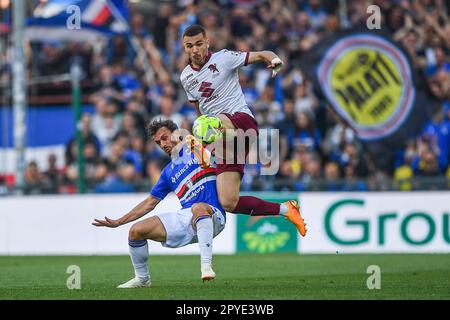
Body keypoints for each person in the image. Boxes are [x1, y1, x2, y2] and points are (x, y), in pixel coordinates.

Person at [180, 24, 306, 236]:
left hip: (242, 121)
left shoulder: (224, 58)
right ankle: (286, 209)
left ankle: (214, 133)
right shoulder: (186, 77)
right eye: (189, 46)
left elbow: (262, 54)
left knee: (206, 125)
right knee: (228, 201)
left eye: (199, 44)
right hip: (228, 141)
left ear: (207, 42)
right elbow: (199, 110)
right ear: (185, 48)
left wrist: (274, 60)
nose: (195, 49)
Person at [92, 119, 225, 288]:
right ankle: (142, 279)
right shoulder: (168, 172)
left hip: (214, 215)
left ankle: (206, 266)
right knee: (136, 231)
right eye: (158, 142)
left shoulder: (195, 146)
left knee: (198, 207)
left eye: (164, 138)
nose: (162, 144)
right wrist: (120, 221)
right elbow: (150, 202)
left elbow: (212, 142)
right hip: (188, 217)